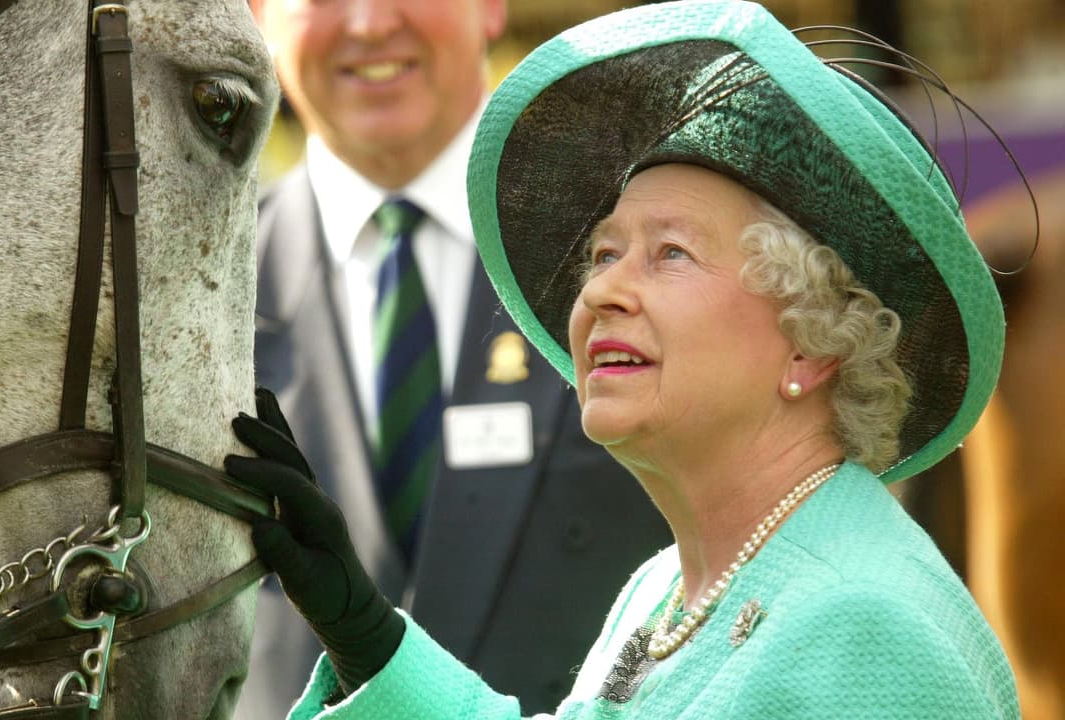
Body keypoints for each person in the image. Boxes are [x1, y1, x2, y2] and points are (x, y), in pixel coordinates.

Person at [225, 1, 1023, 718]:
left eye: (670, 253)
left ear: (815, 340)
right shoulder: (663, 591)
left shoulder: (860, 626)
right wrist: (370, 641)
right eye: (604, 253)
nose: (604, 289)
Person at [240, 0, 671, 717]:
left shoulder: (642, 261)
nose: (370, 23)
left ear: (493, 7)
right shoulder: (186, 290)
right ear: (257, 13)